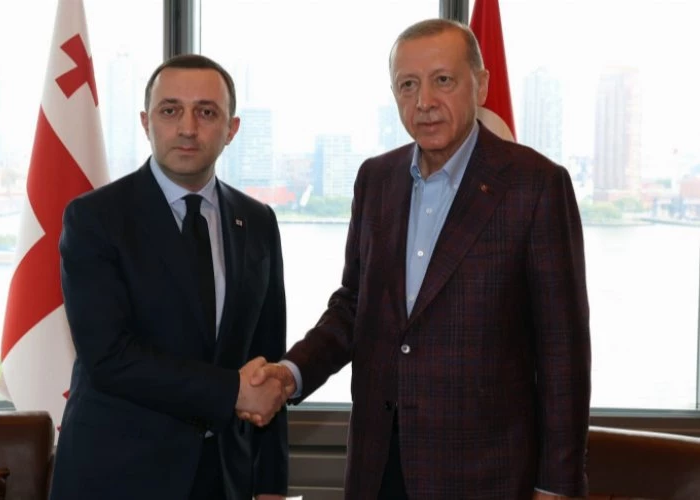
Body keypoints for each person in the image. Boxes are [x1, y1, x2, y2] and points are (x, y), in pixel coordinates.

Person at [246, 18, 591, 499]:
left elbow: (562, 350)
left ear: (480, 85)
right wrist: (290, 373)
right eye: (408, 85)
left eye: (442, 80)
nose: (424, 101)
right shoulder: (376, 179)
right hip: (378, 469)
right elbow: (353, 307)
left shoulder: (535, 185)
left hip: (486, 477)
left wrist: (556, 487)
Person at [49, 54, 290, 500]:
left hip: (225, 478)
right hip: (117, 477)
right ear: (146, 122)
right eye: (170, 110)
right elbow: (109, 357)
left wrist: (271, 484)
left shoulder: (257, 221)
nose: (187, 128)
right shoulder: (95, 218)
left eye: (206, 112)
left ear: (231, 129)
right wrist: (231, 390)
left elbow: (267, 356)